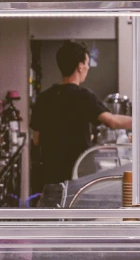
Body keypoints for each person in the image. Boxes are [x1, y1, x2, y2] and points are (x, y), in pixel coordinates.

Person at [30, 41, 132, 186]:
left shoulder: (44, 97)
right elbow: (112, 121)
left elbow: (36, 139)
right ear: (80, 66)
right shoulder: (83, 96)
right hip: (78, 173)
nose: (88, 67)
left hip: (50, 175)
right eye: (87, 63)